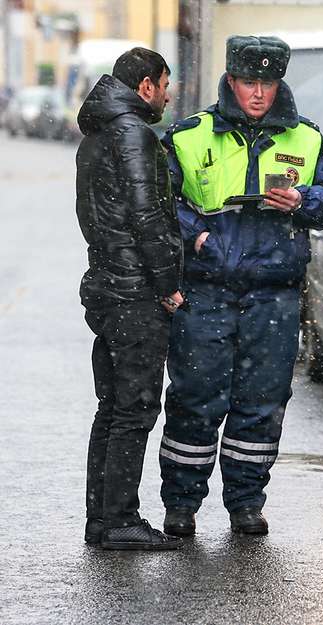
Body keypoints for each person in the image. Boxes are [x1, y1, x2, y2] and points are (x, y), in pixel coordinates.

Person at [158, 35, 323, 536]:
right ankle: (181, 504)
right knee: (195, 399)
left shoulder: (306, 139)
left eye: (268, 82)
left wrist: (307, 201)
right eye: (249, 82)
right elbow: (158, 203)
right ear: (230, 80)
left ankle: (246, 501)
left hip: (274, 295)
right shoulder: (189, 135)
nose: (259, 93)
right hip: (206, 292)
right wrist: (195, 234)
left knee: (262, 403)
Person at [75, 47, 184, 550]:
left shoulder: (97, 134)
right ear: (146, 86)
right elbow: (147, 216)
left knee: (113, 407)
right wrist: (167, 286)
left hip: (106, 285)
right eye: (164, 83)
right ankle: (119, 518)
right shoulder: (134, 134)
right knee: (135, 409)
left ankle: (102, 517)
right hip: (134, 292)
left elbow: (98, 217)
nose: (168, 92)